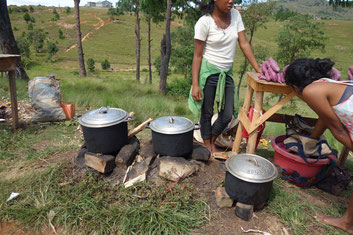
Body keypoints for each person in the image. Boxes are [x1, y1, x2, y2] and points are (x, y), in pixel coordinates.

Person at [285, 58, 353, 234]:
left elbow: (338, 130)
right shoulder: (324, 84)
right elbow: (326, 116)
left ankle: (346, 223)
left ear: (294, 87)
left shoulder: (310, 91)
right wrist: (313, 138)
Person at [188, 0, 261, 155]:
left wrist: (258, 69)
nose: (231, 1)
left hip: (226, 73)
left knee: (227, 114)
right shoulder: (204, 22)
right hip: (208, 72)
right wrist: (195, 84)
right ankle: (207, 143)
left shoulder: (235, 15)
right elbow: (197, 55)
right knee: (206, 112)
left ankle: (212, 138)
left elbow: (244, 43)